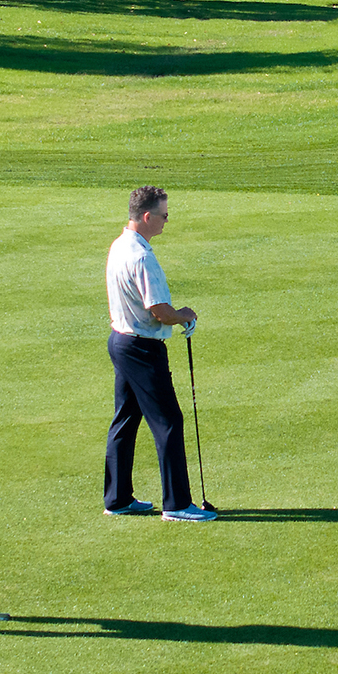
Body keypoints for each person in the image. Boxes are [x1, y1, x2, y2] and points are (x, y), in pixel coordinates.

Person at [104, 185, 215, 522]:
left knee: (125, 420)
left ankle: (117, 498)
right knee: (168, 421)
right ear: (147, 216)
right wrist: (185, 316)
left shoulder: (119, 244)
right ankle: (177, 504)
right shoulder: (141, 256)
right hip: (142, 348)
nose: (167, 220)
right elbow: (160, 311)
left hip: (121, 340)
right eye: (164, 215)